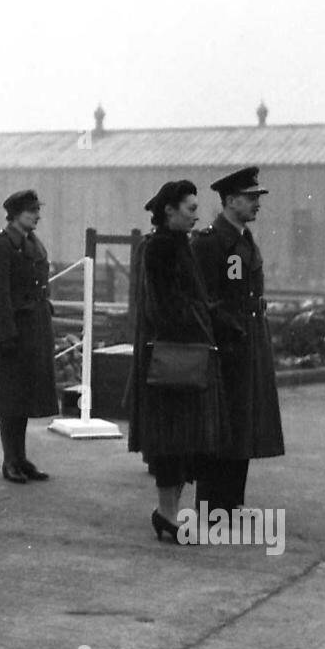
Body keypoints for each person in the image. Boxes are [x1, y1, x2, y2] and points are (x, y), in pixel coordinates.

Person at [127, 180, 227, 541]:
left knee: (182, 438)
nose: (196, 215)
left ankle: (169, 513)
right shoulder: (159, 249)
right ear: (169, 211)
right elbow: (164, 307)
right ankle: (167, 513)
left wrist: (210, 318)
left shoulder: (179, 245)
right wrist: (202, 321)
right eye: (190, 208)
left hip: (182, 354)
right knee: (171, 439)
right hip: (172, 356)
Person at [189, 166, 285, 513]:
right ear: (230, 201)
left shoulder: (242, 238)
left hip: (249, 342)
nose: (257, 203)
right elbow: (206, 297)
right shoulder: (213, 242)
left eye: (257, 197)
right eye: (250, 198)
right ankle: (210, 503)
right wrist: (230, 328)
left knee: (243, 423)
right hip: (227, 344)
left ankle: (231, 502)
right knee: (221, 425)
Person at [0, 189, 57, 482]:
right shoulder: (1, 246)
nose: (37, 216)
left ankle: (21, 457)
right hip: (15, 330)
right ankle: (9, 460)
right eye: (31, 211)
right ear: (15, 215)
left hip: (36, 327)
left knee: (26, 394)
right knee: (11, 398)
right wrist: (6, 334)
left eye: (37, 210)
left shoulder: (31, 243)